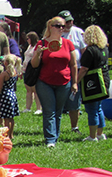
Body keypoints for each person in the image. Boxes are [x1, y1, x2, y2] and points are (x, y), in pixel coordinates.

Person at [30, 16, 78, 148]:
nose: (62, 28)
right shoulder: (42, 44)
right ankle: (50, 139)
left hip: (64, 82)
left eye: (64, 26)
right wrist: (38, 54)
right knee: (49, 111)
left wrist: (75, 82)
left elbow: (73, 64)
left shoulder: (68, 44)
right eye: (58, 25)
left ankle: (55, 136)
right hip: (45, 82)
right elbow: (34, 65)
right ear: (51, 27)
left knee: (58, 111)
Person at [78, 25, 110, 142]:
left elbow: (84, 69)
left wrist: (76, 81)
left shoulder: (90, 51)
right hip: (104, 81)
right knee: (99, 108)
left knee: (91, 109)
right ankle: (100, 133)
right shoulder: (104, 49)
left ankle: (92, 136)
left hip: (92, 82)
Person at [58, 10, 85, 134]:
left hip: (76, 69)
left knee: (74, 97)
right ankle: (55, 127)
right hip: (60, 70)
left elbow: (84, 50)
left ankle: (75, 127)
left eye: (70, 21)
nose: (69, 23)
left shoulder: (78, 32)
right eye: (66, 21)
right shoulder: (56, 33)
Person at [0, 54, 23, 138]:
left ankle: (6, 135)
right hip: (12, 94)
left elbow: (0, 87)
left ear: (5, 63)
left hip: (5, 95)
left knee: (6, 118)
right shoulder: (15, 72)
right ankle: (11, 134)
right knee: (11, 118)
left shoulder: (4, 74)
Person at [22, 32, 42, 114]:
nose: (27, 40)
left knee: (35, 90)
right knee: (28, 89)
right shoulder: (29, 47)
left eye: (28, 38)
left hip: (33, 70)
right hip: (26, 70)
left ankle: (38, 108)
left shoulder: (37, 47)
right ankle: (28, 107)